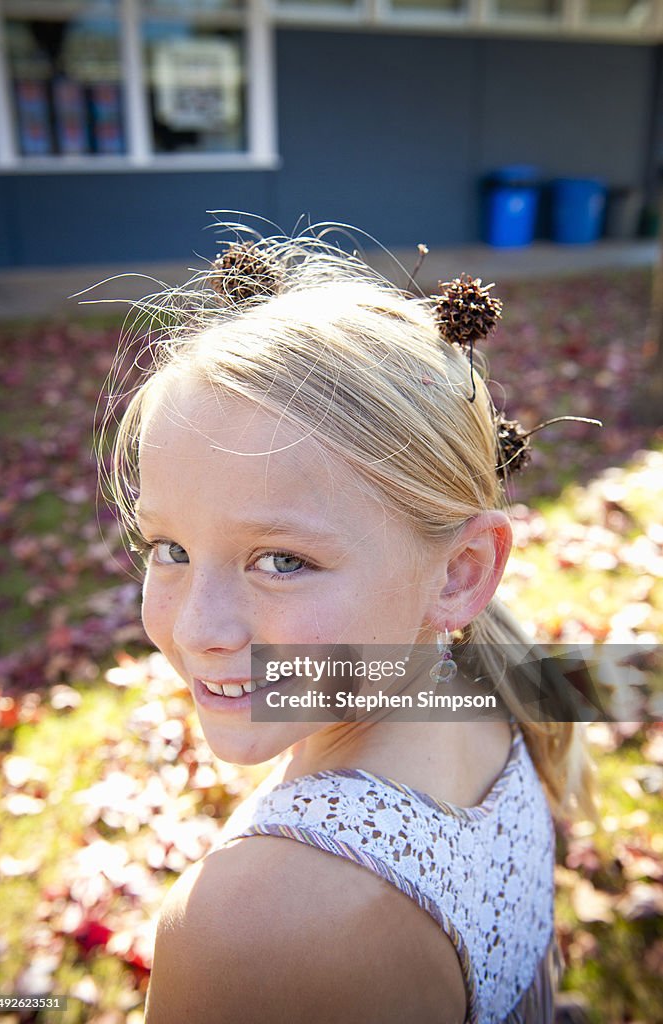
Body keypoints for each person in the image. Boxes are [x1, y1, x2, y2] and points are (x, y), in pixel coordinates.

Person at [101, 226, 595, 1023]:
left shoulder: (253, 930)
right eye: (171, 548)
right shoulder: (482, 684)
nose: (198, 629)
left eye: (282, 560)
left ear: (458, 574)